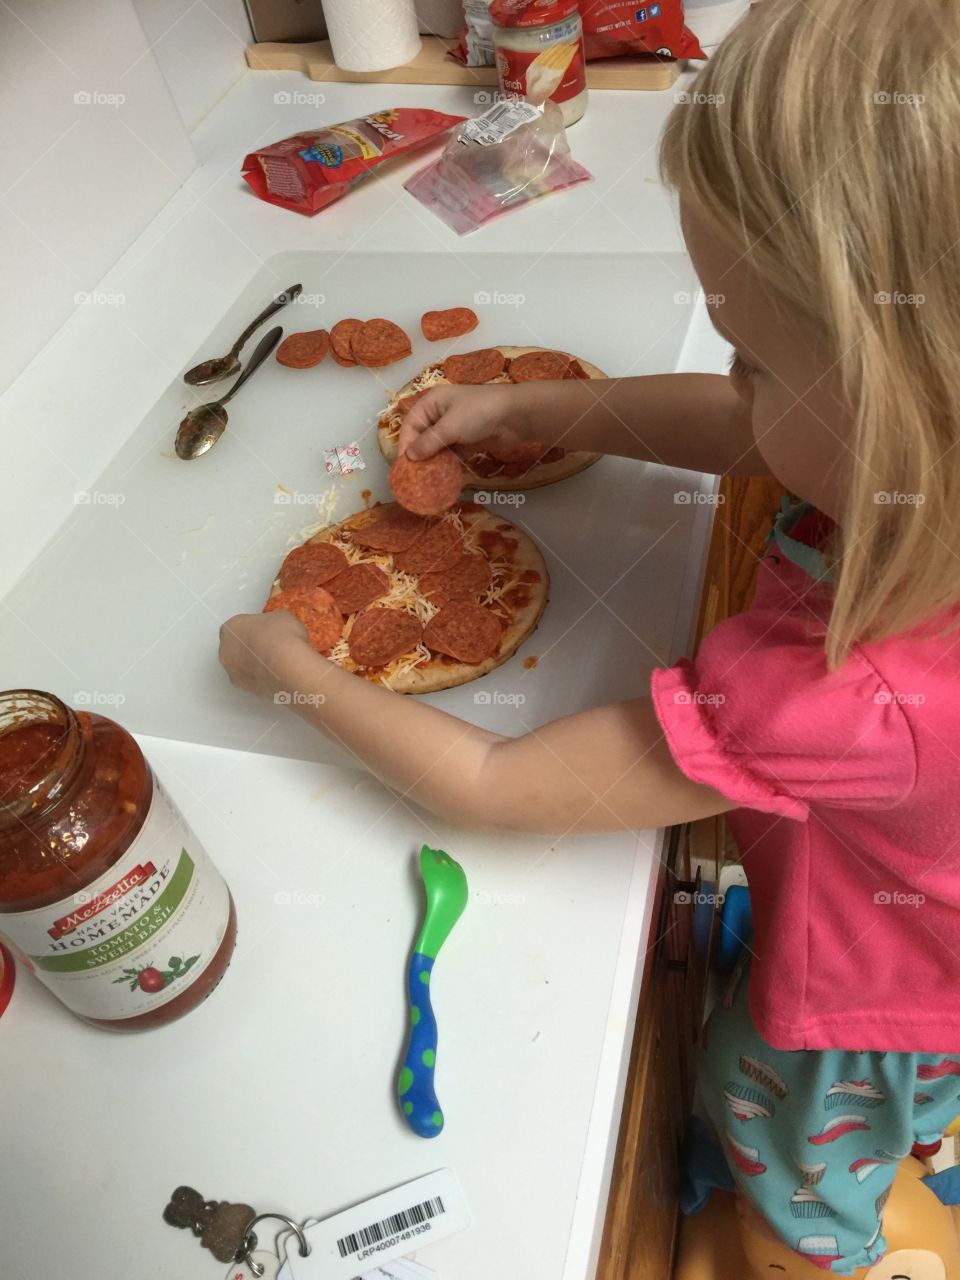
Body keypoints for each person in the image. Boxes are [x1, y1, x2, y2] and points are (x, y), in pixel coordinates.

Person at [220, 0, 960, 1269]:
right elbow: (754, 428)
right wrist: (536, 404)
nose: (734, 384)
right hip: (923, 907)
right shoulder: (911, 461)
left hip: (864, 1009)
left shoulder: (845, 691)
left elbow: (501, 783)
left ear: (894, 405)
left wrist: (279, 670)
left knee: (772, 1116)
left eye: (750, 356)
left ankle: (822, 1232)